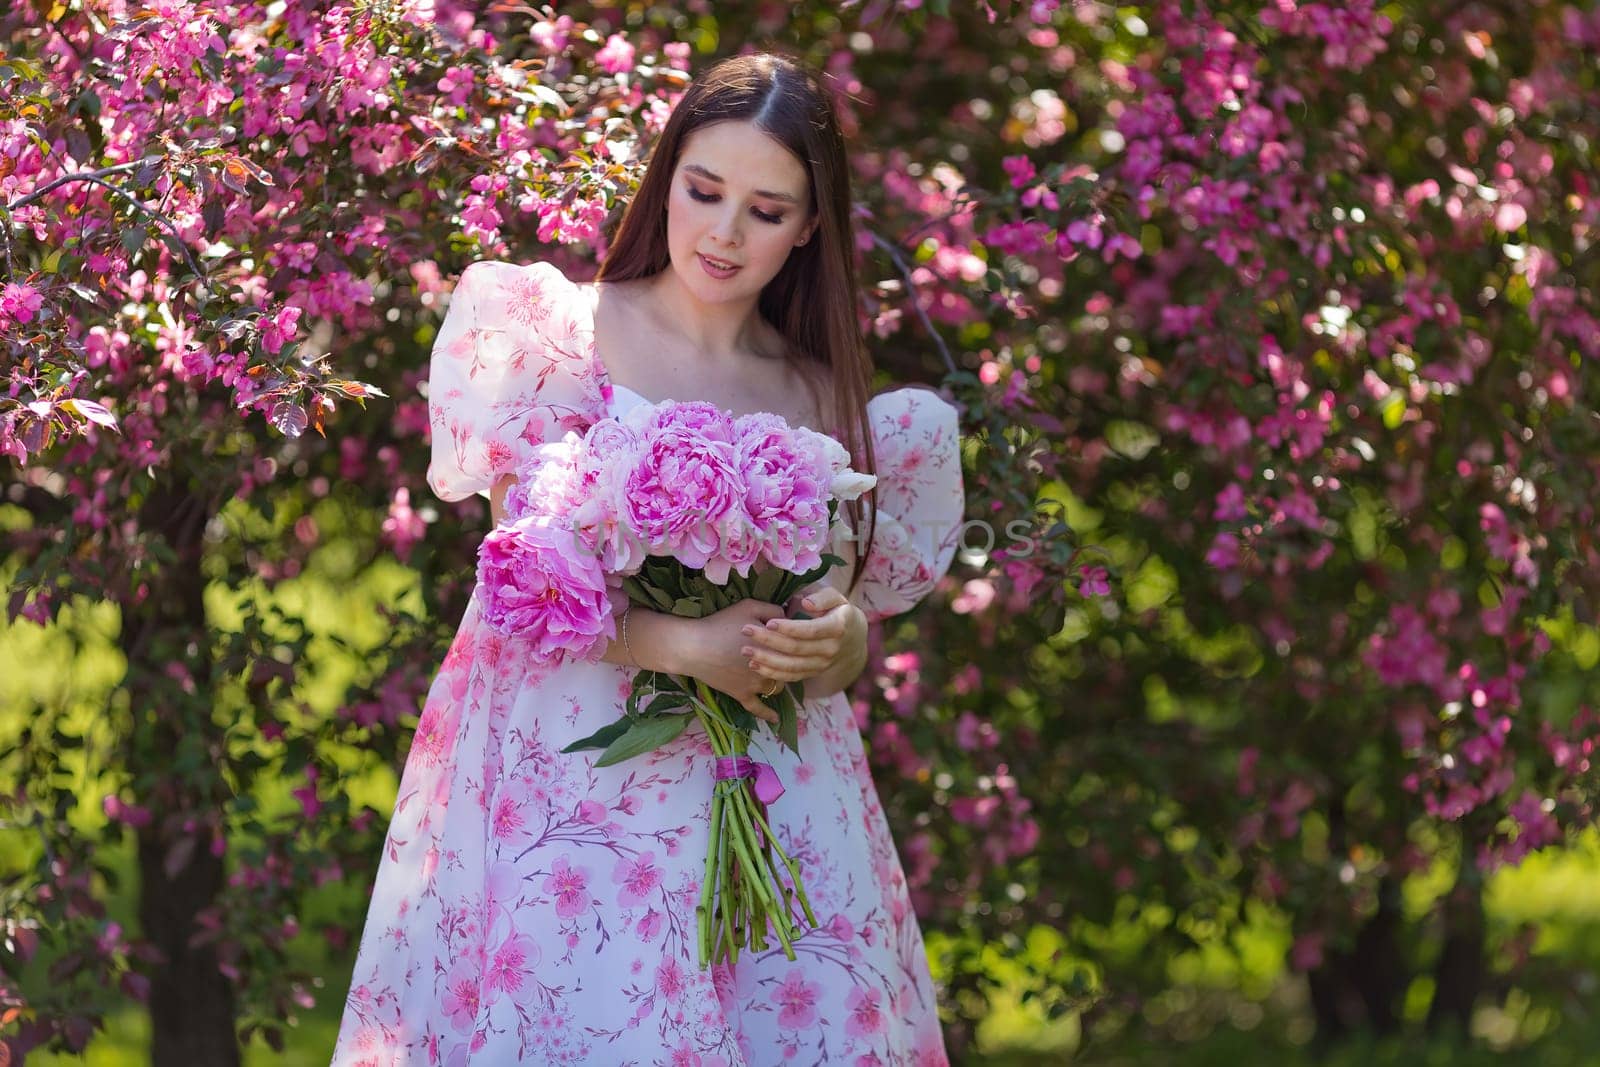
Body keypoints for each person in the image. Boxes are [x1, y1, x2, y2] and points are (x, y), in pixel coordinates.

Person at [332, 50, 963, 1066]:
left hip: (767, 784)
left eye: (765, 210)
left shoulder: (816, 391)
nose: (722, 231)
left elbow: (832, 621)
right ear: (666, 176)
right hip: (578, 778)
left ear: (807, 227)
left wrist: (837, 639)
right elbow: (519, 586)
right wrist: (686, 644)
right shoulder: (560, 340)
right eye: (704, 190)